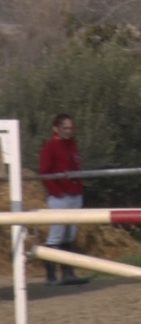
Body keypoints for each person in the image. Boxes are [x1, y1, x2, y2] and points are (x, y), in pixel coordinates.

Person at [38, 113, 89, 286]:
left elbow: (76, 167)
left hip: (74, 195)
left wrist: (78, 188)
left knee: (70, 234)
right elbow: (45, 172)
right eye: (65, 128)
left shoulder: (72, 145)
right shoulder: (50, 147)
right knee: (56, 234)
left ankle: (68, 273)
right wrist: (56, 192)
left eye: (71, 128)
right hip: (60, 197)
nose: (69, 131)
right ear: (56, 129)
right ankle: (51, 276)